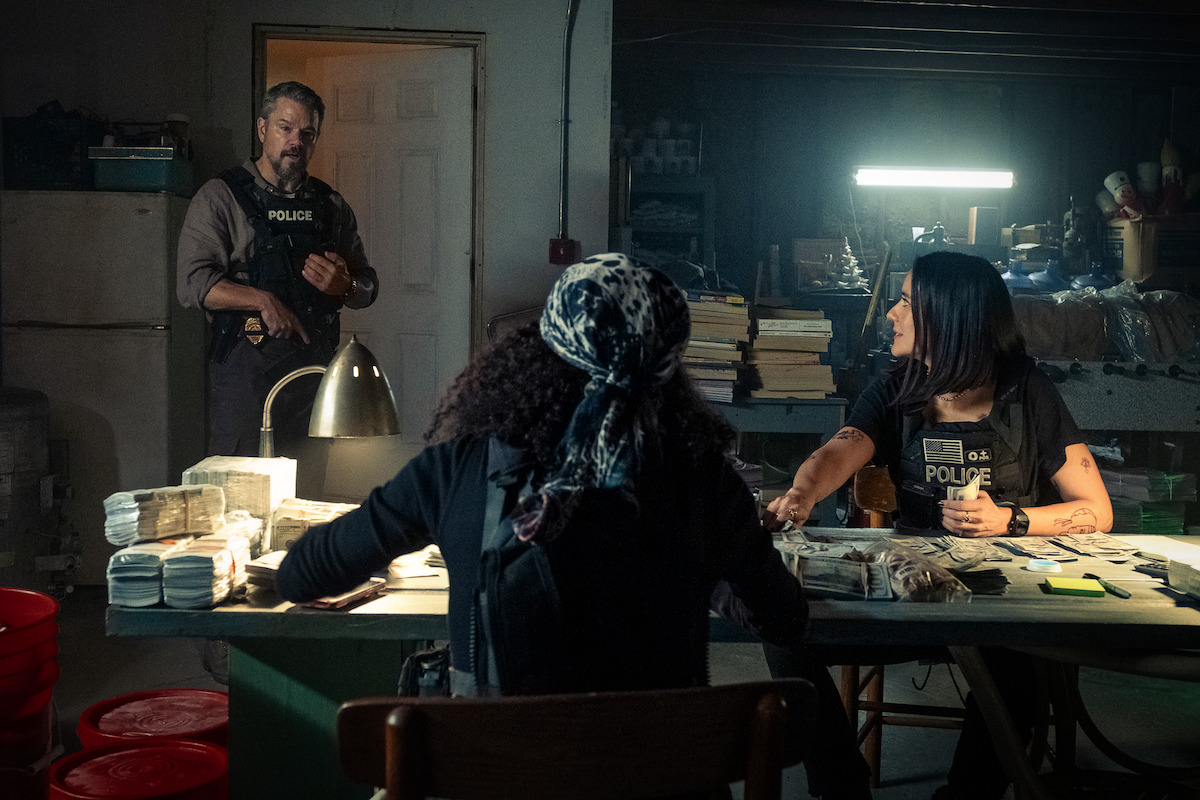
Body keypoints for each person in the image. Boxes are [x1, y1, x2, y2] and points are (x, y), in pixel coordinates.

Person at [276, 253, 808, 689]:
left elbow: (303, 576)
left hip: (494, 779)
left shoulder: (457, 469)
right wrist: (704, 568)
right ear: (669, 364)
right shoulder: (705, 480)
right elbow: (784, 619)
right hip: (663, 782)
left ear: (539, 346)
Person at [764, 250, 1114, 800]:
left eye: (906, 302)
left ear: (948, 318)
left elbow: (1097, 509)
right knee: (783, 634)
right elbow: (839, 451)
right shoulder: (900, 387)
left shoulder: (1028, 392)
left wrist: (1009, 520)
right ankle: (840, 786)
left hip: (1001, 601)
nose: (891, 314)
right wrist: (801, 495)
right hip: (914, 592)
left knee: (1020, 669)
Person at [177, 80, 379, 456]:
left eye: (307, 133)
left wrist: (345, 285)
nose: (295, 141)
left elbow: (368, 288)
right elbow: (193, 284)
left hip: (313, 378)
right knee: (243, 500)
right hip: (246, 377)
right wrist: (261, 300)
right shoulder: (221, 197)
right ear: (262, 129)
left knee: (307, 500)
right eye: (285, 128)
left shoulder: (330, 206)